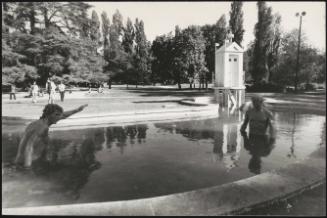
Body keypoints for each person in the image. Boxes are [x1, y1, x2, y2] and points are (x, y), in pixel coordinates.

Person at [14, 103, 88, 169]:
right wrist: (27, 167)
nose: (60, 117)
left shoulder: (41, 123)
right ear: (49, 115)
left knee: (48, 143)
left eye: (59, 114)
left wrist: (77, 110)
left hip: (25, 160)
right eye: (57, 115)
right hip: (24, 163)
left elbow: (64, 115)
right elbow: (29, 147)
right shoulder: (41, 127)